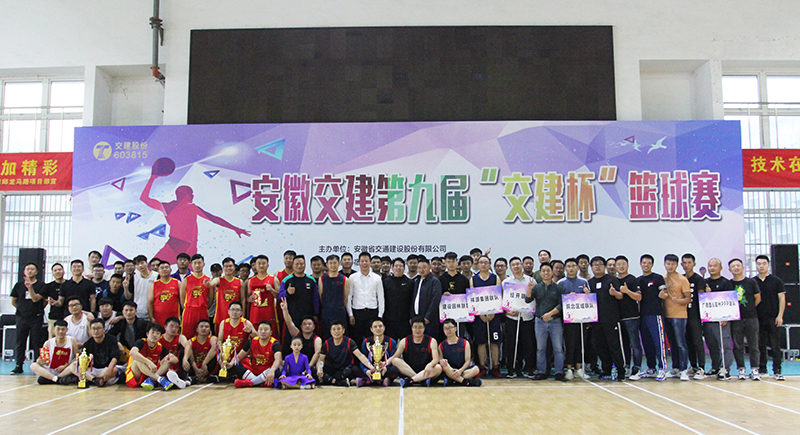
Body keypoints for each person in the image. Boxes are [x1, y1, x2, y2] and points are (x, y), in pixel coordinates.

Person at [140, 161, 251, 263]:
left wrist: (152, 178)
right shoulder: (190, 207)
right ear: (185, 195)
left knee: (157, 267)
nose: (193, 196)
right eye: (191, 194)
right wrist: (235, 228)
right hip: (181, 244)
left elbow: (144, 198)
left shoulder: (167, 207)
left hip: (181, 244)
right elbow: (214, 219)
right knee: (154, 267)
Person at [526, 262, 566, 381]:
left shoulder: (558, 288)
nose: (546, 273)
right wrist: (529, 289)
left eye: (548, 270)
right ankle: (541, 371)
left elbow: (561, 304)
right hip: (540, 321)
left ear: (552, 272)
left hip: (555, 321)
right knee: (540, 348)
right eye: (543, 271)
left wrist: (550, 314)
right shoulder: (537, 287)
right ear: (540, 273)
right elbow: (528, 300)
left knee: (558, 348)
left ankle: (559, 372)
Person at [587, 256, 625, 381]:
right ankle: (606, 370)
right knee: (601, 346)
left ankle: (620, 370)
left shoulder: (612, 279)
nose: (597, 267)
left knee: (614, 345)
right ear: (591, 268)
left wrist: (615, 293)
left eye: (600, 264)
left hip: (611, 319)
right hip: (596, 321)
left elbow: (620, 296)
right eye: (595, 265)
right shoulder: (590, 283)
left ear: (604, 266)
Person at [10, 262, 47, 374]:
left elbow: (41, 301)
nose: (30, 271)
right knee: (20, 341)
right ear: (24, 272)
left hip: (36, 317)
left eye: (32, 269)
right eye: (28, 269)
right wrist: (22, 309)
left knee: (36, 342)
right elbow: (14, 301)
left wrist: (30, 288)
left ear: (36, 272)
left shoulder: (41, 285)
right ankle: (18, 365)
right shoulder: (18, 285)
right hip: (22, 318)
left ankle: (37, 365)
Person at [635, 254, 668, 381]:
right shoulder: (638, 280)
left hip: (655, 315)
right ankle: (651, 368)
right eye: (644, 263)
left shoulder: (658, 278)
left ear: (652, 264)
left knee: (659, 342)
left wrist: (663, 294)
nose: (646, 265)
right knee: (647, 343)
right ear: (640, 264)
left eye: (649, 263)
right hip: (642, 315)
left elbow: (664, 292)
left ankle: (662, 368)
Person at [503, 257, 536, 378]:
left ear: (522, 265)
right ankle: (512, 369)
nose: (516, 266)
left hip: (527, 317)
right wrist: (508, 311)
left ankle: (529, 369)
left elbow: (534, 298)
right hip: (512, 318)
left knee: (528, 344)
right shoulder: (506, 282)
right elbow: (503, 301)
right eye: (513, 265)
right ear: (510, 268)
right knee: (511, 344)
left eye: (518, 264)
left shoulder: (531, 281)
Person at [729, 258, 761, 380]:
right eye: (733, 266)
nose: (736, 268)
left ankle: (755, 369)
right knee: (738, 345)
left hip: (751, 318)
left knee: (754, 345)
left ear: (743, 267)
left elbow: (758, 298)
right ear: (729, 269)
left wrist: (750, 308)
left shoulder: (751, 282)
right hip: (736, 319)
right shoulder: (729, 284)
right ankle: (741, 369)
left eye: (738, 265)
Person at [470, 255, 502, 378]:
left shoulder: (495, 278)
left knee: (495, 342)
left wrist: (493, 312)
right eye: (481, 262)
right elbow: (473, 298)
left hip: (494, 315)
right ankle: (482, 367)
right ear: (477, 265)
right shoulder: (473, 279)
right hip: (479, 316)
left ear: (489, 264)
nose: (483, 264)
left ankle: (495, 367)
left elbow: (498, 296)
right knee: (481, 342)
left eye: (486, 262)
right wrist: (480, 313)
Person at [754, 254, 786, 381]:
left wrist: (780, 315)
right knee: (760, 345)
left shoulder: (776, 281)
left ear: (768, 265)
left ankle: (777, 370)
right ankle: (762, 369)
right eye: (759, 264)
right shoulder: (752, 281)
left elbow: (782, 298)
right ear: (756, 265)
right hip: (758, 318)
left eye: (764, 263)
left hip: (773, 317)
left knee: (775, 345)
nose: (761, 266)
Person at [703, 258, 735, 380]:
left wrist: (727, 317)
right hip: (708, 319)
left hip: (722, 320)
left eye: (715, 266)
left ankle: (725, 368)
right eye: (710, 266)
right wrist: (706, 293)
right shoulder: (705, 282)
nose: (712, 268)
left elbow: (731, 300)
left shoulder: (726, 282)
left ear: (720, 267)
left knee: (724, 344)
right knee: (712, 344)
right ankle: (715, 367)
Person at [661, 254, 691, 381]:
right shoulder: (662, 279)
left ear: (677, 265)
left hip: (679, 315)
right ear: (664, 264)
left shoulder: (682, 279)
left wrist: (678, 300)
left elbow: (688, 299)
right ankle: (675, 368)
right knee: (672, 344)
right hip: (666, 315)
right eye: (668, 264)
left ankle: (684, 369)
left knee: (680, 343)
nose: (670, 266)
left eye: (673, 264)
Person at [125, 323, 183, 390]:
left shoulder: (160, 347)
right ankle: (159, 379)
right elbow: (132, 353)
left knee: (167, 359)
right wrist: (149, 362)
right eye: (152, 333)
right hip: (136, 374)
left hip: (149, 373)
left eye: (157, 333)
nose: (155, 335)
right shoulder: (141, 342)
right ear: (147, 334)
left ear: (160, 336)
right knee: (137, 360)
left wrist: (172, 359)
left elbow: (175, 360)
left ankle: (151, 379)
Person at [558, 258, 590, 380]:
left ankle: (579, 368)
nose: (571, 268)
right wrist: (567, 297)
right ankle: (569, 369)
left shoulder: (584, 282)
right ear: (565, 269)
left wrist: (587, 295)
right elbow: (557, 301)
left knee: (580, 343)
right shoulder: (561, 283)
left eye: (573, 266)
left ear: (577, 268)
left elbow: (590, 300)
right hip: (568, 319)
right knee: (569, 344)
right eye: (568, 266)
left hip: (582, 319)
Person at [389, 317, 443, 387]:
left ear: (424, 328)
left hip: (426, 371)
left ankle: (411, 380)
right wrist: (384, 364)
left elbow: (435, 359)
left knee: (438, 367)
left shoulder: (432, 341)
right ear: (411, 328)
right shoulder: (404, 341)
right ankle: (419, 379)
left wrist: (430, 365)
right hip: (409, 371)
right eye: (415, 327)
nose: (417, 330)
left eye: (420, 327)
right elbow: (395, 357)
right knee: (395, 360)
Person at [68, 318, 121, 386]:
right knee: (74, 365)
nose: (96, 331)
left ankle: (91, 379)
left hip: (105, 369)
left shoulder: (112, 339)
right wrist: (81, 370)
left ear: (104, 329)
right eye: (93, 328)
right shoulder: (87, 344)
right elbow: (83, 362)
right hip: (93, 370)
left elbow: (115, 357)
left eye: (98, 328)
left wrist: (110, 369)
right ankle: (95, 380)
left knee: (114, 370)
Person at [280, 255, 320, 344]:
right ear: (293, 265)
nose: (299, 266)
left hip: (307, 317)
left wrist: (315, 314)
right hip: (292, 316)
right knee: (290, 342)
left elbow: (316, 299)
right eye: (297, 264)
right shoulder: (287, 280)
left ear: (305, 265)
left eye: (301, 264)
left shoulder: (311, 280)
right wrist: (287, 292)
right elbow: (280, 296)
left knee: (307, 342)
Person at [346, 252, 385, 344]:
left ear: (370, 263)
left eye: (366, 261)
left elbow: (380, 297)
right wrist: (350, 314)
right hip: (357, 313)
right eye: (362, 261)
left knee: (372, 339)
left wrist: (380, 315)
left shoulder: (377, 278)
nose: (364, 263)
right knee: (357, 338)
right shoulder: (352, 277)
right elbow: (349, 296)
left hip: (372, 312)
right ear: (358, 262)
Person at [231, 321, 283, 388]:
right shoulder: (252, 341)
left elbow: (278, 360)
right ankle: (259, 382)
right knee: (235, 365)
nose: (263, 331)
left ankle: (249, 383)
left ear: (271, 332)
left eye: (266, 329)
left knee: (279, 367)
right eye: (260, 329)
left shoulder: (275, 343)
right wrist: (230, 364)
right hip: (254, 370)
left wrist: (272, 370)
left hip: (267, 371)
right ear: (257, 331)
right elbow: (239, 357)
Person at [317, 320, 369, 386]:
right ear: (331, 332)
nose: (336, 331)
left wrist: (371, 367)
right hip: (332, 369)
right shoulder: (326, 344)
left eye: (339, 329)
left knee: (354, 370)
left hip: (345, 369)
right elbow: (321, 360)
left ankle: (336, 381)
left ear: (343, 331)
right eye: (334, 329)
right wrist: (319, 369)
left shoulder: (349, 342)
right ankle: (338, 382)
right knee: (316, 371)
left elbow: (360, 356)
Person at [616, 255, 642, 379]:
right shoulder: (614, 280)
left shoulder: (632, 279)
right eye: (618, 264)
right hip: (618, 317)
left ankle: (637, 368)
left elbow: (638, 297)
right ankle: (625, 366)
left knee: (634, 344)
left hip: (631, 317)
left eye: (623, 264)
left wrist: (627, 291)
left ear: (627, 265)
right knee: (623, 344)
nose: (621, 266)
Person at [682, 253, 707, 379]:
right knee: (688, 342)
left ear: (694, 264)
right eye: (684, 263)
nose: (687, 265)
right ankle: (693, 365)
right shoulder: (681, 278)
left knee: (697, 341)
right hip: (682, 315)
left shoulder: (698, 279)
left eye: (689, 263)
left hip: (695, 316)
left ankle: (701, 367)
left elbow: (702, 297)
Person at [30, 320, 79, 385]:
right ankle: (56, 379)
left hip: (65, 370)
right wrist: (40, 361)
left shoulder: (72, 340)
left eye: (63, 329)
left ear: (67, 330)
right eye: (58, 329)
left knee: (75, 364)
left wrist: (65, 366)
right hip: (51, 371)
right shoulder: (48, 343)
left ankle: (53, 379)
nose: (60, 332)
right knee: (33, 365)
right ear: (53, 330)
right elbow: (44, 360)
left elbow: (77, 357)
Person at [357, 318, 401, 387]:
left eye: (380, 326)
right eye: (375, 327)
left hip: (385, 369)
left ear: (384, 328)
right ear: (371, 329)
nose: (378, 328)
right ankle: (378, 379)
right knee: (355, 369)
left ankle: (368, 380)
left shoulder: (391, 342)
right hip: (371, 368)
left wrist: (385, 367)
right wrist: (366, 371)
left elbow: (393, 358)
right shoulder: (366, 342)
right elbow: (362, 359)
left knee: (395, 369)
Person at [180, 254, 215, 339]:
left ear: (203, 264)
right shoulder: (186, 280)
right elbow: (182, 298)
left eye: (199, 263)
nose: (197, 265)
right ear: (191, 265)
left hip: (202, 310)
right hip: (189, 311)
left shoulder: (207, 280)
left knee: (203, 336)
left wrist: (205, 307)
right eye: (195, 263)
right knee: (187, 336)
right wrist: (187, 308)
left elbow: (211, 298)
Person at [280, 299, 322, 369]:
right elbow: (289, 322)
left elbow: (317, 354)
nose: (307, 326)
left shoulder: (317, 339)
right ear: (301, 327)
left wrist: (308, 368)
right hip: (296, 364)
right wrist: (285, 310)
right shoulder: (297, 334)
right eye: (304, 324)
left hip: (310, 366)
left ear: (314, 327)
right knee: (282, 364)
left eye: (309, 324)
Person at [439, 318, 481, 386]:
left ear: (455, 328)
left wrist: (460, 371)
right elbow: (441, 361)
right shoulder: (441, 345)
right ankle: (464, 381)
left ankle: (454, 379)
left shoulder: (465, 343)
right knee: (444, 365)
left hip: (462, 370)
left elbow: (467, 361)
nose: (448, 330)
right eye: (446, 328)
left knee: (476, 369)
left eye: (450, 328)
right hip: (449, 370)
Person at [382, 257, 414, 341]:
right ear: (392, 268)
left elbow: (412, 301)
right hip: (389, 320)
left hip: (405, 321)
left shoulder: (410, 282)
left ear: (404, 268)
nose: (398, 268)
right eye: (396, 266)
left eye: (400, 266)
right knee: (390, 344)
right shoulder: (386, 282)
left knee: (406, 344)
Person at [247, 255, 280, 333]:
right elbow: (248, 298)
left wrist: (271, 290)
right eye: (259, 263)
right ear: (255, 266)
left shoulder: (273, 279)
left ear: (268, 265)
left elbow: (279, 297)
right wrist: (249, 299)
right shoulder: (250, 280)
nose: (261, 265)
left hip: (269, 314)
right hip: (255, 316)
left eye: (263, 263)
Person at [319, 254, 349, 339]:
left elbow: (345, 297)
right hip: (326, 312)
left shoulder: (344, 279)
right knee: (326, 334)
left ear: (339, 264)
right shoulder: (322, 279)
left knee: (341, 335)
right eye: (330, 263)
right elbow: (321, 296)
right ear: (327, 264)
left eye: (335, 263)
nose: (333, 265)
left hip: (339, 311)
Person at [411, 257, 442, 338]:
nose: (421, 270)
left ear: (429, 267)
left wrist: (428, 317)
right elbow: (414, 299)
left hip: (429, 320)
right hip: (417, 318)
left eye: (424, 267)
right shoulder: (417, 281)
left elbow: (435, 300)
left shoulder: (434, 281)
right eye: (419, 268)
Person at [212, 257, 246, 324]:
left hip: (235, 316)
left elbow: (243, 299)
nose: (228, 268)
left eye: (230, 266)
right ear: (223, 268)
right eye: (226, 266)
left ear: (234, 267)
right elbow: (213, 282)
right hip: (221, 315)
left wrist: (243, 313)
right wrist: (209, 283)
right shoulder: (219, 280)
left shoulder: (240, 282)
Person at [149, 260, 181, 327]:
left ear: (171, 270)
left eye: (166, 267)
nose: (164, 269)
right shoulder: (154, 285)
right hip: (158, 317)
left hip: (174, 317)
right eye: (162, 268)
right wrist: (151, 317)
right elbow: (150, 302)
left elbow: (183, 300)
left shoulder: (178, 283)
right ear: (158, 271)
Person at [186, 319, 219, 384]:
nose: (204, 328)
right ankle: (200, 378)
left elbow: (214, 349)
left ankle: (203, 377)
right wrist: (195, 369)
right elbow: (191, 358)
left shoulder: (213, 338)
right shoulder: (191, 341)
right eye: (201, 326)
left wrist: (204, 363)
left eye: (206, 327)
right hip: (196, 367)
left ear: (210, 329)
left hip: (208, 366)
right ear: (197, 329)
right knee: (185, 353)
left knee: (217, 351)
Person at [160, 317, 192, 381]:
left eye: (176, 327)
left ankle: (184, 376)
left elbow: (188, 346)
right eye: (171, 326)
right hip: (163, 363)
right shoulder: (159, 338)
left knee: (186, 350)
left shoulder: (180, 337)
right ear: (165, 327)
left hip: (176, 364)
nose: (174, 329)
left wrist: (185, 359)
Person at [45, 263, 67, 338]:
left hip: (67, 317)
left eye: (59, 270)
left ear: (63, 271)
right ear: (52, 273)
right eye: (55, 270)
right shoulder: (48, 286)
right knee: (52, 339)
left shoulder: (69, 284)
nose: (57, 272)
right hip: (54, 317)